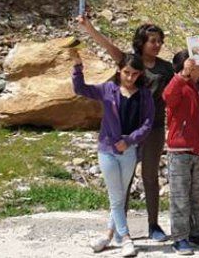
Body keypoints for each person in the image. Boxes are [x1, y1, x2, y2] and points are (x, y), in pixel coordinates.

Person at [77, 17, 173, 242]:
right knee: (123, 182)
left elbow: (180, 84)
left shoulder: (165, 68)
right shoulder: (130, 61)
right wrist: (88, 27)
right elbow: (106, 44)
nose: (157, 44)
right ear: (141, 42)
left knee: (150, 176)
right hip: (124, 130)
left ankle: (153, 225)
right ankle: (121, 230)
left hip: (153, 128)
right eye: (152, 40)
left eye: (159, 41)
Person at [72, 50, 154, 257]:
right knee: (115, 197)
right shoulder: (108, 89)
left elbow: (147, 123)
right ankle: (126, 238)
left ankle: (108, 236)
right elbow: (80, 88)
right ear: (119, 71)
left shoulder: (144, 95)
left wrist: (129, 141)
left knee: (119, 196)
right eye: (127, 72)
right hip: (107, 150)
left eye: (135, 74)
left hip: (129, 151)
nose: (130, 77)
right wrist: (77, 66)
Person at [164, 51, 199, 256]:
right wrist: (182, 75)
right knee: (180, 196)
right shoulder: (178, 85)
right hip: (180, 151)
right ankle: (180, 237)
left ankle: (196, 233)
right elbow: (167, 97)